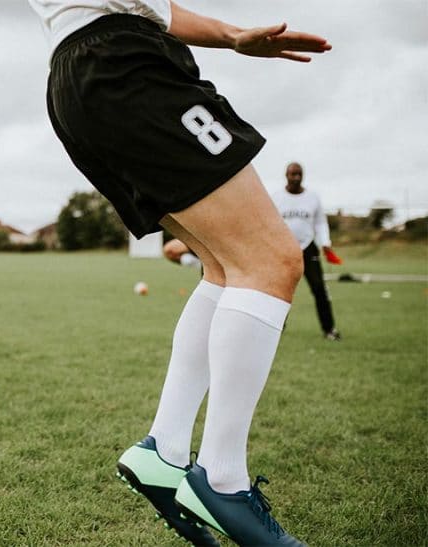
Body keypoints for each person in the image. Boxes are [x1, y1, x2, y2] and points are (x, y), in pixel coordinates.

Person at [29, 1, 330, 545]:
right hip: (123, 62)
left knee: (226, 268)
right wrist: (230, 33)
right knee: (271, 260)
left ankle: (164, 451)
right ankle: (222, 478)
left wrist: (233, 34)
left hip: (78, 76)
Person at [272, 162, 341, 340]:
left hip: (308, 248)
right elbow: (270, 224)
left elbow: (320, 222)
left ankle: (329, 330)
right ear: (286, 175)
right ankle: (276, 328)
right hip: (285, 249)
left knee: (319, 289)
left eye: (299, 174)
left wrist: (325, 242)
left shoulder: (313, 197)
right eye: (292, 174)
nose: (296, 177)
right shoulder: (277, 197)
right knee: (281, 291)